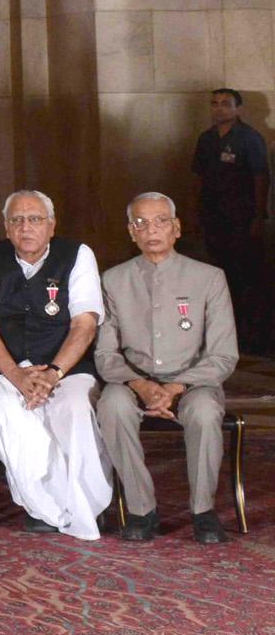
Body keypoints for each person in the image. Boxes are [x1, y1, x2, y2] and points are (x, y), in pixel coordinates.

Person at [0, 190, 109, 540]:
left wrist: (53, 373)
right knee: (9, 414)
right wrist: (15, 375)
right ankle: (44, 507)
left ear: (51, 226)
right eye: (17, 220)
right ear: (7, 228)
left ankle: (86, 505)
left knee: (74, 410)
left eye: (35, 219)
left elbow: (84, 325)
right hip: (6, 371)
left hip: (66, 369)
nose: (26, 227)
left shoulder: (78, 255)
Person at [97, 192, 239, 545]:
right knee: (111, 405)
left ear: (176, 228)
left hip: (194, 383)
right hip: (132, 381)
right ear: (131, 231)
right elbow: (105, 354)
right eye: (141, 223)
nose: (151, 229)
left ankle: (203, 511)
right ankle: (142, 510)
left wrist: (177, 388)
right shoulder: (113, 280)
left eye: (161, 221)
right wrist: (141, 385)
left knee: (205, 412)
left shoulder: (209, 278)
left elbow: (223, 354)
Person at [191, 88, 269, 351]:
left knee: (245, 276)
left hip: (242, 219)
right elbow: (199, 177)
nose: (219, 108)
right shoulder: (206, 139)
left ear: (238, 109)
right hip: (214, 218)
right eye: (214, 104)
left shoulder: (249, 138)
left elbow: (261, 178)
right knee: (218, 274)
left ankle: (250, 337)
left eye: (226, 104)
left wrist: (258, 217)